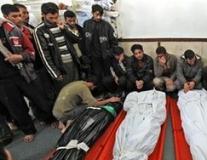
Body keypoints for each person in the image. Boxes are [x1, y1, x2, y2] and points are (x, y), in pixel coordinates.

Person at [0, 4, 53, 142]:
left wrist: (20, 57)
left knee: (40, 98)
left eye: (19, 15)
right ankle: (28, 130)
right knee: (16, 106)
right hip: (3, 79)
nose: (19, 18)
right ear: (6, 17)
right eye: (15, 16)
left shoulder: (13, 30)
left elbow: (31, 52)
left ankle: (53, 119)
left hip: (23, 73)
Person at [34, 2, 80, 92]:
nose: (54, 20)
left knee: (77, 88)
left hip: (73, 62)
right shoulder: (39, 30)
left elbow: (76, 39)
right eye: (51, 18)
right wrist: (55, 73)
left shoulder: (62, 24)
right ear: (43, 15)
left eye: (56, 17)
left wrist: (64, 29)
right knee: (66, 92)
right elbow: (44, 54)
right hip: (60, 67)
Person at [52, 79, 121, 133]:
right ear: (93, 84)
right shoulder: (83, 88)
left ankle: (62, 121)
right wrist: (109, 100)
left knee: (84, 104)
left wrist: (95, 100)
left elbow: (79, 98)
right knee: (90, 108)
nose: (93, 89)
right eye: (94, 87)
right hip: (64, 113)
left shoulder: (79, 83)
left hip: (56, 111)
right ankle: (68, 126)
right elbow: (94, 104)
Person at [83, 4, 118, 85]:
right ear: (92, 13)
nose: (99, 17)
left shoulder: (107, 25)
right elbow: (84, 40)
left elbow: (114, 41)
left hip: (105, 56)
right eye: (97, 15)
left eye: (100, 15)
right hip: (93, 56)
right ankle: (100, 92)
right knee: (96, 75)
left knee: (107, 75)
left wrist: (110, 52)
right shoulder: (86, 24)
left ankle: (109, 92)